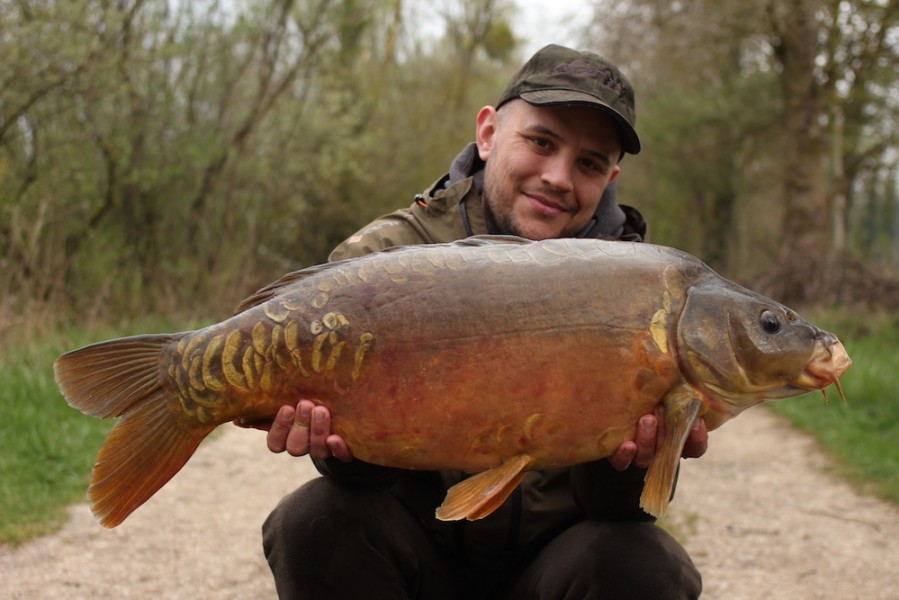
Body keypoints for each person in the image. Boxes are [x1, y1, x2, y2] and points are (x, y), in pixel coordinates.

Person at [253, 44, 707, 599]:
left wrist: (632, 460)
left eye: (589, 164)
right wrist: (341, 448)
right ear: (488, 134)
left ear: (609, 178)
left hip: (548, 572)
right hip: (421, 558)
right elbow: (359, 478)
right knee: (316, 520)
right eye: (541, 142)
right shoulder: (389, 255)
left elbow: (617, 512)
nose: (559, 177)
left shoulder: (649, 298)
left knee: (645, 562)